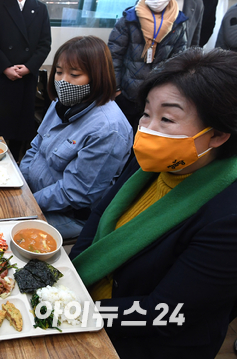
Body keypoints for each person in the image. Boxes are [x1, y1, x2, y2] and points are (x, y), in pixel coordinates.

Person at [70, 48, 237, 359]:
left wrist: (71, 312)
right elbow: (99, 217)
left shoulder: (227, 216)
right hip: (88, 303)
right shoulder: (157, 160)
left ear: (217, 135)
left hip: (143, 342)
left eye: (167, 118)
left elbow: (164, 313)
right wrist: (70, 276)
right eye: (146, 113)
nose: (147, 129)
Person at [19, 36, 133, 240]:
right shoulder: (61, 104)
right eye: (59, 72)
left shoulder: (108, 128)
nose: (63, 81)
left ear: (97, 76)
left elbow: (76, 192)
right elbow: (36, 146)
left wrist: (26, 202)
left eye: (74, 74)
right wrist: (20, 185)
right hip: (34, 195)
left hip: (68, 214)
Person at [0, 0, 52, 161]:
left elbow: (45, 44)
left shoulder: (40, 8)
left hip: (26, 78)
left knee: (19, 130)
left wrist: (29, 67)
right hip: (2, 76)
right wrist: (6, 67)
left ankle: (15, 164)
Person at [109, 0, 187, 133]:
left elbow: (180, 61)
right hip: (126, 94)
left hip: (157, 96)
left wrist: (171, 94)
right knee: (121, 134)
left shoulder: (178, 21)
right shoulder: (129, 18)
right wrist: (116, 89)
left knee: (146, 136)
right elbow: (113, 55)